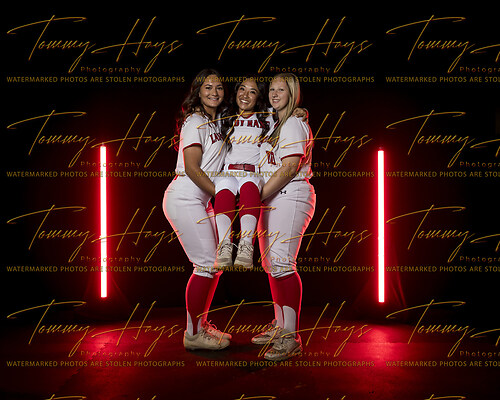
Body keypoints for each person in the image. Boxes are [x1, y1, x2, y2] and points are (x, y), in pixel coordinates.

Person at [162, 69, 232, 351]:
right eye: (208, 87)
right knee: (205, 265)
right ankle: (192, 334)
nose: (214, 92)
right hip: (185, 196)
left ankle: (200, 325)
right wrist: (221, 195)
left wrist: (297, 112)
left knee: (215, 267)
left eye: (219, 87)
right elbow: (192, 168)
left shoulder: (220, 123)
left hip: (202, 200)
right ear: (198, 92)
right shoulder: (195, 121)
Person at [251, 73, 316, 361]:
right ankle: (280, 326)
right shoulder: (276, 122)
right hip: (273, 196)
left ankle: (291, 337)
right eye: (272, 89)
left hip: (291, 194)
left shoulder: (292, 123)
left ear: (292, 93)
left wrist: (258, 196)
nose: (275, 94)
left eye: (282, 90)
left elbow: (290, 167)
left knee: (282, 264)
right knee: (271, 265)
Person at [213, 76, 272, 270]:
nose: (245, 95)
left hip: (252, 170)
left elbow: (288, 112)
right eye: (242, 89)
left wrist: (301, 111)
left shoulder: (267, 115)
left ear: (259, 97)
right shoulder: (224, 114)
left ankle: (246, 246)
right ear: (236, 91)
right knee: (224, 188)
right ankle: (224, 246)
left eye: (252, 91)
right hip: (228, 170)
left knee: (249, 185)